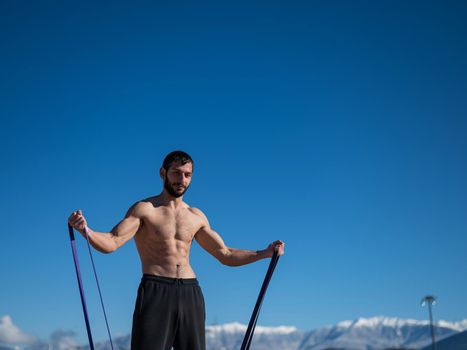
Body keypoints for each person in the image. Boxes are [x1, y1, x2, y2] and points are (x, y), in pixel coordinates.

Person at [68, 150, 285, 350]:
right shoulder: (145, 210)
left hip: (190, 292)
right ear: (163, 173)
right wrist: (85, 230)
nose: (182, 180)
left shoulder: (196, 216)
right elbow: (112, 241)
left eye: (187, 175)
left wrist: (264, 253)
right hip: (156, 290)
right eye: (176, 173)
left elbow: (225, 254)